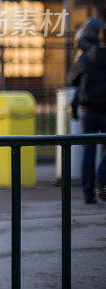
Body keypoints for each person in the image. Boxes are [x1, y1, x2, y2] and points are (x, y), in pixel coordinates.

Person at [67, 24, 106, 204]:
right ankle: (102, 176)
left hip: (88, 111)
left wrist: (74, 105)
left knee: (88, 151)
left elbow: (73, 80)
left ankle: (87, 193)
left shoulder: (87, 58)